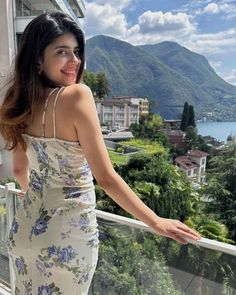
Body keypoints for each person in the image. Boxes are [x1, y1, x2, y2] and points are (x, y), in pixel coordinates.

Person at [0, 11, 201, 295]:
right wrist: (155, 221)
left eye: (77, 51)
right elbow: (105, 177)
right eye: (62, 52)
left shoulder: (21, 104)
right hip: (68, 237)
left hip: (25, 229)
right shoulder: (77, 96)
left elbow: (21, 171)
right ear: (38, 59)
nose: (75, 61)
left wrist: (42, 201)